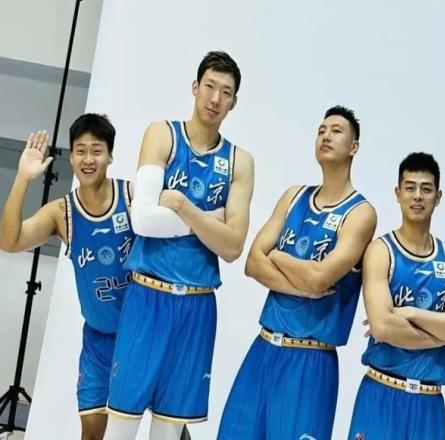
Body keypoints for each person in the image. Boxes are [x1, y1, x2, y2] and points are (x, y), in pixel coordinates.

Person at [103, 51, 255, 440]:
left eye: (226, 92)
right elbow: (143, 219)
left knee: (169, 430)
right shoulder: (163, 134)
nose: (215, 99)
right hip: (147, 297)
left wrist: (184, 207)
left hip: (197, 304)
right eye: (210, 87)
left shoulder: (239, 162)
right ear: (195, 87)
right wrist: (210, 221)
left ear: (234, 102)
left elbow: (233, 247)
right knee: (121, 424)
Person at [217, 106, 377, 440]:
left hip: (310, 359)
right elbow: (252, 263)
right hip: (264, 346)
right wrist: (303, 285)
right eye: (321, 130)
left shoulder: (360, 213)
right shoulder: (294, 197)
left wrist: (278, 256)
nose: (326, 136)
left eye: (336, 131)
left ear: (354, 147)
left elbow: (320, 278)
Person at [0, 114, 135, 440]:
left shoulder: (132, 197)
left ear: (110, 156)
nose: (88, 159)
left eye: (97, 151)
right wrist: (23, 179)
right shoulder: (62, 213)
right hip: (98, 340)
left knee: (170, 424)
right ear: (71, 157)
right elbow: (9, 241)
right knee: (91, 433)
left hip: (142, 334)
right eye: (81, 151)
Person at [348, 152, 445, 440]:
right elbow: (383, 327)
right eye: (410, 187)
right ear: (398, 193)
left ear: (438, 196)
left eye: (426, 188)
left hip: (429, 403)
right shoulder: (381, 251)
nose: (417, 196)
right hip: (380, 393)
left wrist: (410, 313)